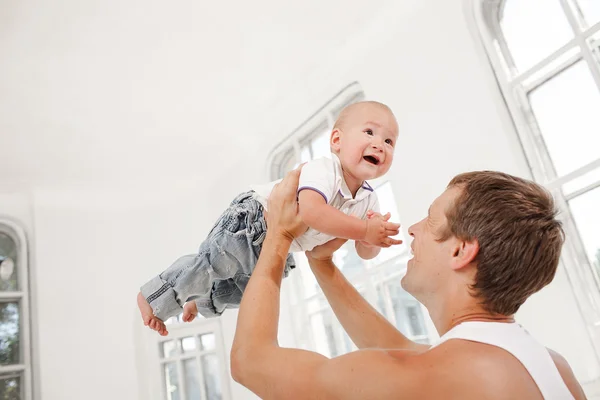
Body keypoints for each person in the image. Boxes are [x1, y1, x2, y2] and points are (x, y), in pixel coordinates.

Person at [230, 166, 586, 399]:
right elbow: (401, 349)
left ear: (461, 250)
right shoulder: (551, 368)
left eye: (430, 221)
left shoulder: (431, 378)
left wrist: (278, 236)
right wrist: (322, 264)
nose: (413, 228)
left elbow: (251, 362)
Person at [137, 101, 403, 335]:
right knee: (211, 265)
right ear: (336, 141)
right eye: (369, 132)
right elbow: (312, 211)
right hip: (252, 223)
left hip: (282, 246)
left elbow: (364, 251)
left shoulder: (369, 199)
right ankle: (153, 298)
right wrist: (364, 230)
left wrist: (373, 240)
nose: (379, 144)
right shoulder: (326, 169)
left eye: (389, 141)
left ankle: (199, 299)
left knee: (243, 291)